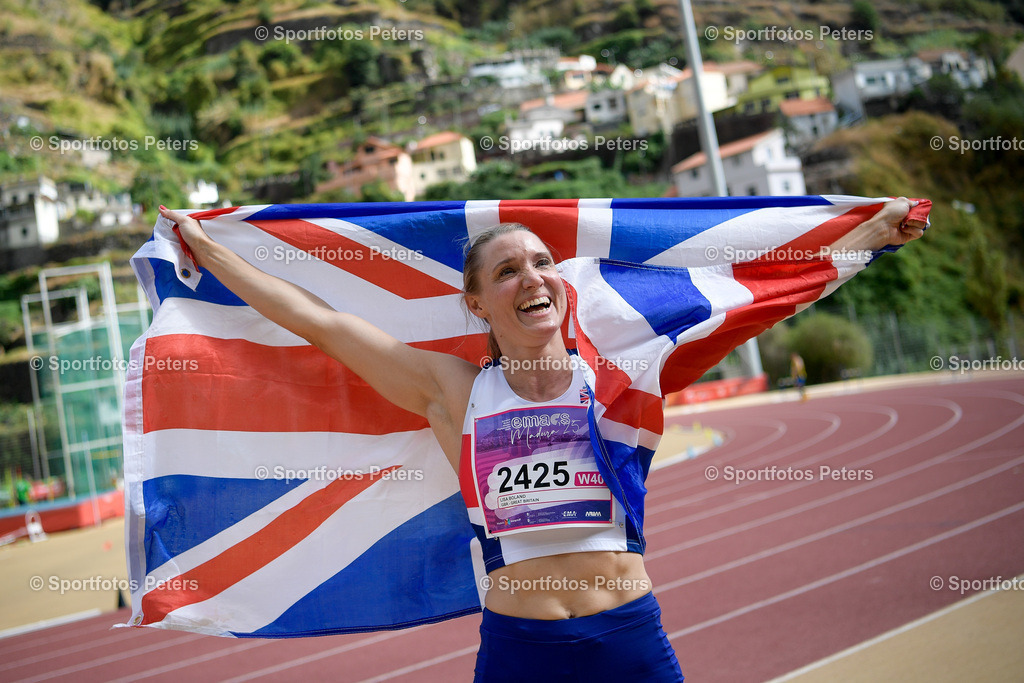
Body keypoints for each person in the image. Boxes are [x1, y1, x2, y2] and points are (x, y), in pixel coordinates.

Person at [157, 197, 924, 682]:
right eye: (508, 270)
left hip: (627, 638)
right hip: (521, 653)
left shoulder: (622, 373)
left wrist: (861, 237)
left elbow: (755, 294)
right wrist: (213, 248)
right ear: (476, 301)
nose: (532, 276)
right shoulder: (451, 392)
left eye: (542, 262)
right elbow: (319, 323)